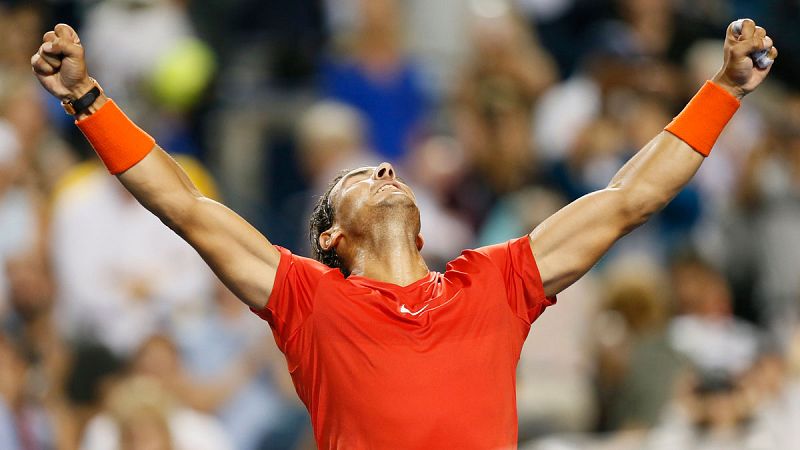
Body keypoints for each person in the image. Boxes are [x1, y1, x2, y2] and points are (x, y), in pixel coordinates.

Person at [31, 20, 777, 449]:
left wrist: (725, 90)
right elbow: (184, 207)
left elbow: (627, 199)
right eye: (357, 177)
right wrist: (86, 100)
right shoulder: (307, 300)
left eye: (386, 167)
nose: (385, 166)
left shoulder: (493, 283)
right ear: (330, 238)